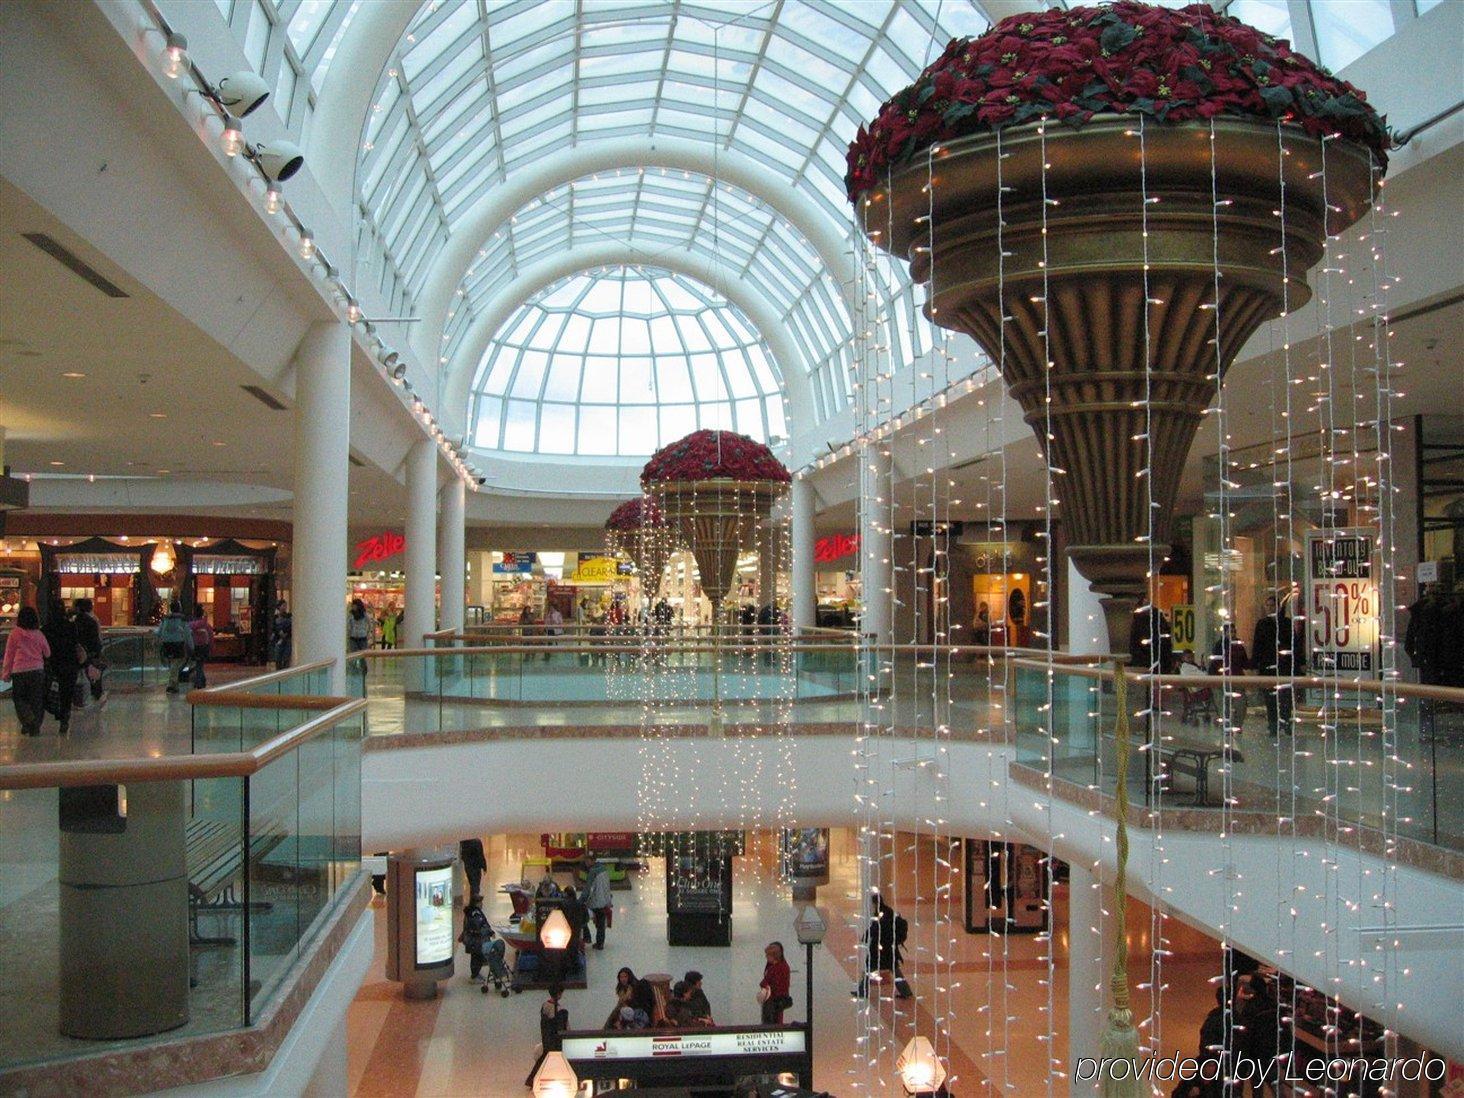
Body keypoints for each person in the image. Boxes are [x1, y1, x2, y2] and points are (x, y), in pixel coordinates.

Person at [3, 606, 51, 736]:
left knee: (19, 699)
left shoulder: (14, 634)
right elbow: (47, 652)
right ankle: (34, 724)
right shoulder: (39, 634)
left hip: (19, 671)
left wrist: (6, 673)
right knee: (36, 700)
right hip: (37, 671)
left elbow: (9, 655)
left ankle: (27, 720)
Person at [854, 892, 912, 999]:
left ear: (875, 903)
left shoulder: (881, 913)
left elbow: (876, 928)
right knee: (894, 970)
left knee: (869, 968)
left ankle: (862, 991)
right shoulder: (887, 910)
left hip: (880, 948)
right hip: (888, 948)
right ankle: (906, 991)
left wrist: (866, 936)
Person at [1250, 595, 1293, 738]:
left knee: (1285, 696)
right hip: (1268, 666)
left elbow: (1294, 644)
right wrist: (1256, 665)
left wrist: (1298, 662)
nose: (1269, 608)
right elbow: (1257, 646)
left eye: (1272, 606)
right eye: (1267, 606)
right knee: (1270, 698)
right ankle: (1273, 724)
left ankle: (1286, 721)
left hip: (1284, 665)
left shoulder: (1286, 623)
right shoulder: (1262, 624)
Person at [524, 984, 569, 1088]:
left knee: (544, 1058)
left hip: (547, 1038)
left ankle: (533, 1080)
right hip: (555, 1040)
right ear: (559, 994)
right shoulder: (561, 1010)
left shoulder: (545, 1005)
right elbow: (564, 1026)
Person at [156, 599, 192, 695]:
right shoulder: (182, 620)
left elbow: (159, 632)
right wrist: (191, 645)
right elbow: (187, 633)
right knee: (176, 664)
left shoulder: (165, 619)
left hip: (167, 644)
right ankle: (171, 685)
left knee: (173, 664)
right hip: (178, 644)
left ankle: (174, 684)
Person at [73, 597, 105, 703]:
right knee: (93, 673)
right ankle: (97, 694)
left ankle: (81, 697)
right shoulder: (93, 620)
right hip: (92, 651)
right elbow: (96, 637)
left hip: (82, 652)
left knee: (83, 673)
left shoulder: (76, 621)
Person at [759, 941, 792, 1024]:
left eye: (768, 955)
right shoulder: (774, 965)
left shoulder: (779, 968)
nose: (766, 956)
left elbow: (772, 982)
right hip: (774, 1000)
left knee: (772, 1021)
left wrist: (764, 985)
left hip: (774, 1001)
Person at [584, 857, 613, 950]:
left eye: (587, 860)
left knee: (583, 918)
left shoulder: (592, 872)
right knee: (601, 923)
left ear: (592, 861)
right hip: (604, 900)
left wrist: (582, 900)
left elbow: (589, 890)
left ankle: (587, 937)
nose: (586, 862)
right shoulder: (604, 869)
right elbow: (607, 886)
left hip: (595, 902)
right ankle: (600, 943)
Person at [459, 901, 492, 982]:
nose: (482, 904)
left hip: (474, 940)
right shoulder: (475, 914)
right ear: (476, 903)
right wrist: (489, 932)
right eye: (480, 902)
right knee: (476, 956)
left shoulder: (472, 912)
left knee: (476, 956)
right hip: (475, 940)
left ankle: (476, 973)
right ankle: (474, 975)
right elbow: (479, 926)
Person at [188, 604, 214, 689]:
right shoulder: (206, 625)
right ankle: (200, 681)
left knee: (198, 664)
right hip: (203, 647)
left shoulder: (190, 625)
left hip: (194, 647)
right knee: (200, 664)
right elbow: (210, 637)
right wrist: (210, 647)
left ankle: (201, 680)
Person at [347, 598, 373, 674]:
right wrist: (349, 634)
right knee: (353, 655)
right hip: (353, 637)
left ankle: (363, 670)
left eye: (354, 605)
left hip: (362, 637)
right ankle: (354, 670)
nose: (353, 607)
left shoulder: (364, 614)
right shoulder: (351, 614)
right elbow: (349, 625)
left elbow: (369, 623)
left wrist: (368, 633)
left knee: (363, 656)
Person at [271, 603, 293, 668]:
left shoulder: (289, 616)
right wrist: (279, 632)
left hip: (287, 638)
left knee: (286, 657)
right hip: (279, 640)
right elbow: (274, 627)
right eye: (283, 606)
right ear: (279, 607)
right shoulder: (275, 617)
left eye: (285, 606)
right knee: (278, 657)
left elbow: (290, 626)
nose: (285, 607)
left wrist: (285, 633)